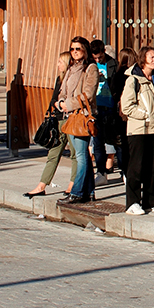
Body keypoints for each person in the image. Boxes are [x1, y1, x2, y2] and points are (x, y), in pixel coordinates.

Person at [120, 45, 154, 215]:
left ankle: (151, 200)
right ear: (143, 59)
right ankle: (133, 202)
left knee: (152, 167)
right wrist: (144, 115)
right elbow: (127, 106)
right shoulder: (133, 79)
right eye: (151, 57)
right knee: (136, 167)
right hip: (139, 129)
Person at [57, 36, 100, 203]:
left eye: (78, 49)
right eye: (72, 49)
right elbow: (63, 89)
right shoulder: (71, 68)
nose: (75, 52)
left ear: (85, 50)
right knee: (81, 156)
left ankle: (77, 192)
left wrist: (69, 103)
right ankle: (88, 191)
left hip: (82, 115)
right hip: (70, 114)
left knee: (81, 155)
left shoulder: (90, 68)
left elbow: (89, 94)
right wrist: (61, 102)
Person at [26, 51, 72, 197]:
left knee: (76, 155)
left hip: (70, 119)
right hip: (58, 119)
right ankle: (42, 185)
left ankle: (73, 184)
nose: (57, 64)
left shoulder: (72, 79)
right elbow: (53, 99)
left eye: (60, 61)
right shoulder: (59, 79)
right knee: (54, 153)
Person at [90, 39, 119, 182]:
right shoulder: (89, 65)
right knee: (98, 142)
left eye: (99, 57)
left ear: (104, 52)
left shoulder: (112, 64)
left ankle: (123, 172)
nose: (97, 60)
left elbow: (118, 83)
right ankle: (101, 172)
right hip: (96, 107)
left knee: (115, 140)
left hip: (110, 105)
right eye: (95, 58)